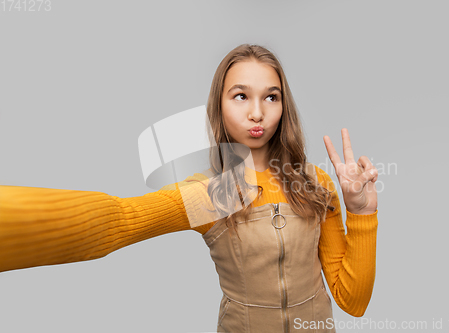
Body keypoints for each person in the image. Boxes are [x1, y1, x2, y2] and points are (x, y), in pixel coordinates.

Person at [0, 44, 379, 332]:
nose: (257, 112)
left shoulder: (316, 184)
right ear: (219, 106)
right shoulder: (213, 193)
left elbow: (353, 300)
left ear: (284, 106)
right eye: (241, 95)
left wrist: (361, 211)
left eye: (271, 96)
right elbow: (121, 218)